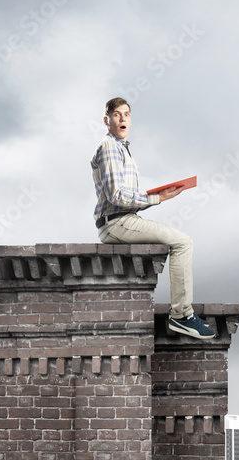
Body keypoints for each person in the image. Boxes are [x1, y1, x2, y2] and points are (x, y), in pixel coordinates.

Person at [90, 97, 215, 340]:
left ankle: (182, 314)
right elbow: (117, 196)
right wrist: (157, 198)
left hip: (124, 218)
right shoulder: (109, 148)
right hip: (115, 223)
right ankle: (181, 315)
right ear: (107, 121)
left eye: (126, 114)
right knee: (183, 242)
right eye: (117, 114)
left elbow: (126, 198)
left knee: (181, 241)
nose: (123, 118)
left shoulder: (123, 149)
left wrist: (160, 195)